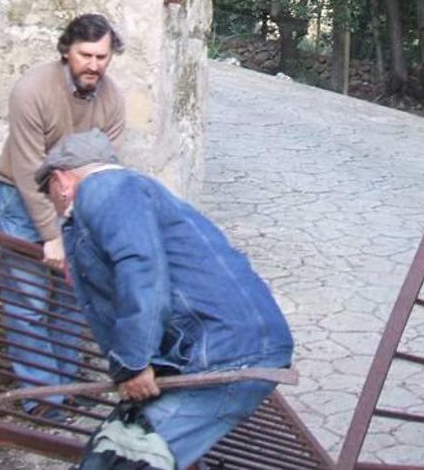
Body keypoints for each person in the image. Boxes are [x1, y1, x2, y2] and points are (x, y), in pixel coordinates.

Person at [37, 130, 294, 468]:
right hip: (221, 351)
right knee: (110, 451)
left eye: (48, 194)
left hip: (227, 355)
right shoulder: (129, 194)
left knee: (125, 459)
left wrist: (133, 362)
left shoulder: (105, 189)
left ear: (61, 180)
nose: (53, 205)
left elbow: (141, 269)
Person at [0, 13, 126, 415]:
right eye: (85, 55)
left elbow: (106, 169)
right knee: (29, 303)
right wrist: (51, 235)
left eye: (102, 56)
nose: (94, 65)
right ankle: (43, 399)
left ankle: (68, 388)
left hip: (78, 205)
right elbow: (27, 167)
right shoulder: (32, 90)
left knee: (74, 299)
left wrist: (84, 226)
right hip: (23, 198)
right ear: (67, 50)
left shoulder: (112, 98)